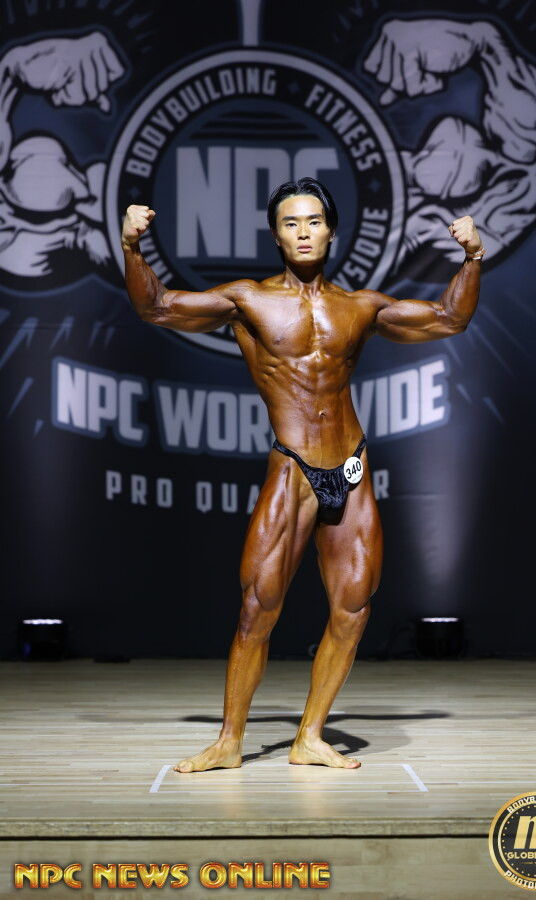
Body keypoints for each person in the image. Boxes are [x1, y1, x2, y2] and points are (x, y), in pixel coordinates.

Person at [121, 177, 483, 771]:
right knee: (257, 607)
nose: (304, 232)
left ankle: (309, 736)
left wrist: (472, 257)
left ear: (331, 231)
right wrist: (132, 247)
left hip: (351, 464)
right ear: (276, 235)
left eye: (314, 221)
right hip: (293, 466)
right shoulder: (248, 300)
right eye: (291, 223)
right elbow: (156, 306)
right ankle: (229, 741)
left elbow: (449, 318)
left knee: (354, 607)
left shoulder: (359, 306)